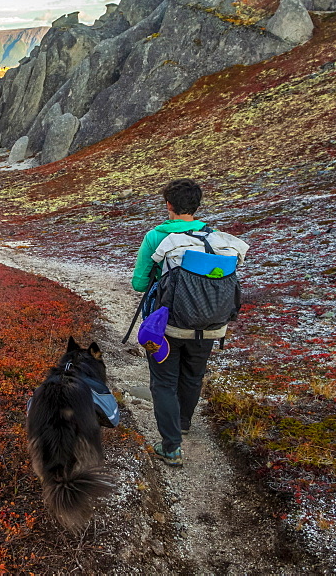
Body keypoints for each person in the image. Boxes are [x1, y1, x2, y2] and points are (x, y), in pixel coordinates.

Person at [131, 178, 218, 467]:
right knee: (193, 375)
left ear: (168, 205)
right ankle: (182, 423)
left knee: (164, 382)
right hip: (209, 323)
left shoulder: (157, 236)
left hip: (167, 325)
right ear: (196, 205)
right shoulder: (214, 237)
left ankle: (171, 447)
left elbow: (139, 283)